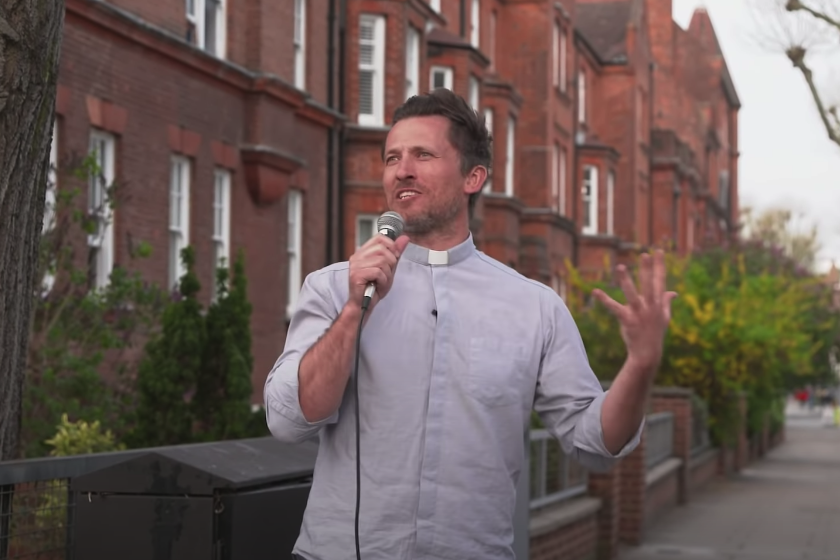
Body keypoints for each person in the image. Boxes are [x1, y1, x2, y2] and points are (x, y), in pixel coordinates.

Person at [264, 88, 677, 560]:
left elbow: (595, 445)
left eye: (423, 154)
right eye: (392, 157)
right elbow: (288, 420)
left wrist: (641, 364)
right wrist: (355, 311)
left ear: (473, 177)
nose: (402, 170)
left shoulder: (533, 307)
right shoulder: (334, 288)